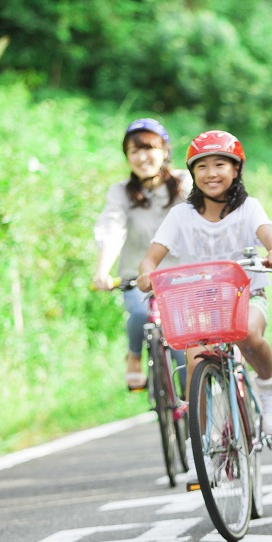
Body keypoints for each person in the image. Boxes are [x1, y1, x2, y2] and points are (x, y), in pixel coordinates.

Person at [138, 130, 272, 435]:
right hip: (200, 302)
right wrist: (146, 274)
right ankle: (206, 442)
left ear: (236, 169)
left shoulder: (249, 208)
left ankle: (270, 385)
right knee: (195, 362)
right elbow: (150, 259)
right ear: (192, 172)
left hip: (247, 296)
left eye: (220, 164)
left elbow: (269, 236)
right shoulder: (180, 215)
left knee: (247, 333)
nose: (211, 173)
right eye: (202, 166)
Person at [92, 118, 191, 391]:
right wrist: (102, 271)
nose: (142, 157)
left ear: (165, 151)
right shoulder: (121, 192)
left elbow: (204, 218)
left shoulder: (184, 183)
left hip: (183, 276)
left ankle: (192, 411)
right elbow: (112, 228)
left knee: (184, 350)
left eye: (149, 148)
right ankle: (134, 356)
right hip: (138, 276)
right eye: (134, 151)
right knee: (139, 312)